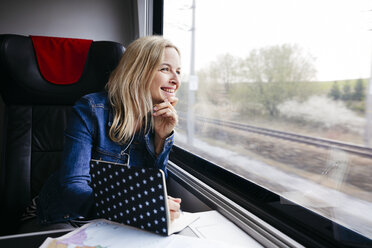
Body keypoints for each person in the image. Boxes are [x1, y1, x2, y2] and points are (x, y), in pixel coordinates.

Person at [26, 36, 182, 230]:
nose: (175, 80)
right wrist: (139, 207)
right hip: (63, 215)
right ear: (138, 71)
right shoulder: (91, 109)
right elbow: (73, 187)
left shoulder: (157, 119)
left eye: (178, 71)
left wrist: (162, 138)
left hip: (112, 220)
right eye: (165, 69)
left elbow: (154, 185)